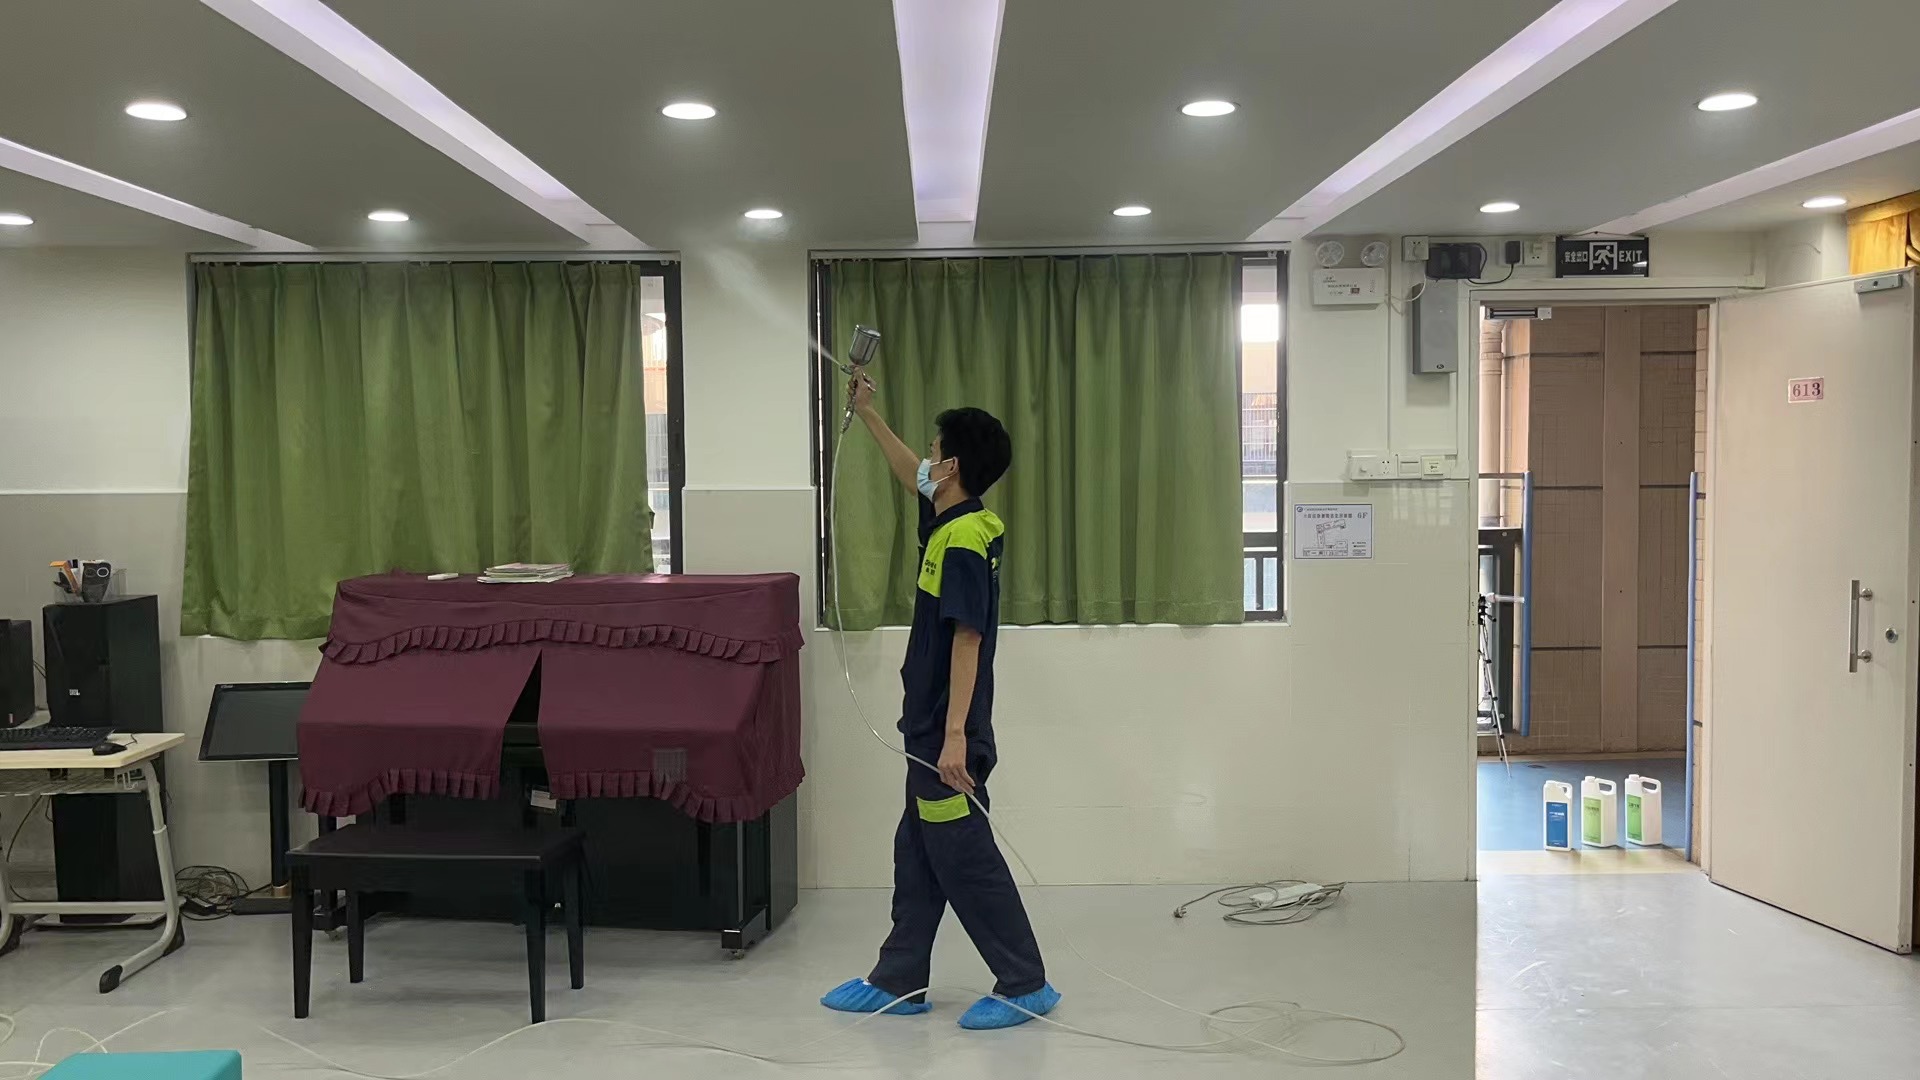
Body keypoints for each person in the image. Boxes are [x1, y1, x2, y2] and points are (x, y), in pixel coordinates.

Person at [820, 374, 1060, 1030]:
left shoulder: (964, 541)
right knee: (918, 852)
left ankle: (1025, 981)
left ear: (952, 467)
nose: (925, 460)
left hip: (946, 732)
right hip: (926, 725)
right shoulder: (954, 516)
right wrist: (868, 413)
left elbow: (968, 638)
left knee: (962, 854)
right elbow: (913, 476)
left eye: (934, 451)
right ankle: (899, 978)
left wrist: (955, 736)